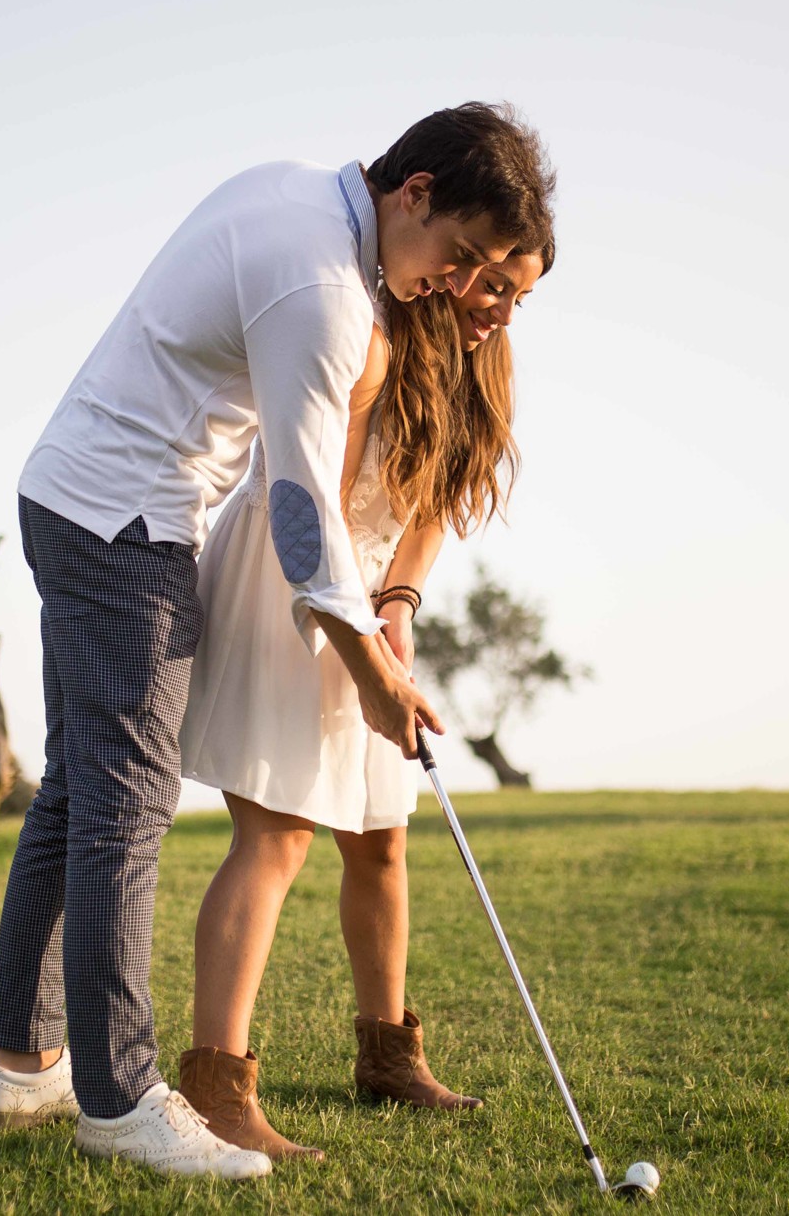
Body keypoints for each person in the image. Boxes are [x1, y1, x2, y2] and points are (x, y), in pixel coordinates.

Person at [0, 104, 555, 1182]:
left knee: (73, 793)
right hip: (123, 520)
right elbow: (300, 514)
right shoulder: (326, 290)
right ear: (410, 191)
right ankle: (119, 1098)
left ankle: (20, 1060)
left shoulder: (301, 201)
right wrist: (373, 668)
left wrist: (391, 619)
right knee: (122, 804)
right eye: (457, 255)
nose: (454, 283)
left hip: (85, 494)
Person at [175, 242, 551, 1160]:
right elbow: (320, 505)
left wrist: (397, 606)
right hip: (289, 576)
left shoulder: (483, 363)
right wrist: (354, 631)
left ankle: (389, 1057)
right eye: (494, 285)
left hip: (366, 594)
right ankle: (216, 1084)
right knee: (277, 835)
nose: (501, 310)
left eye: (519, 295)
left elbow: (428, 512)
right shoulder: (370, 336)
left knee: (381, 838)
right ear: (454, 264)